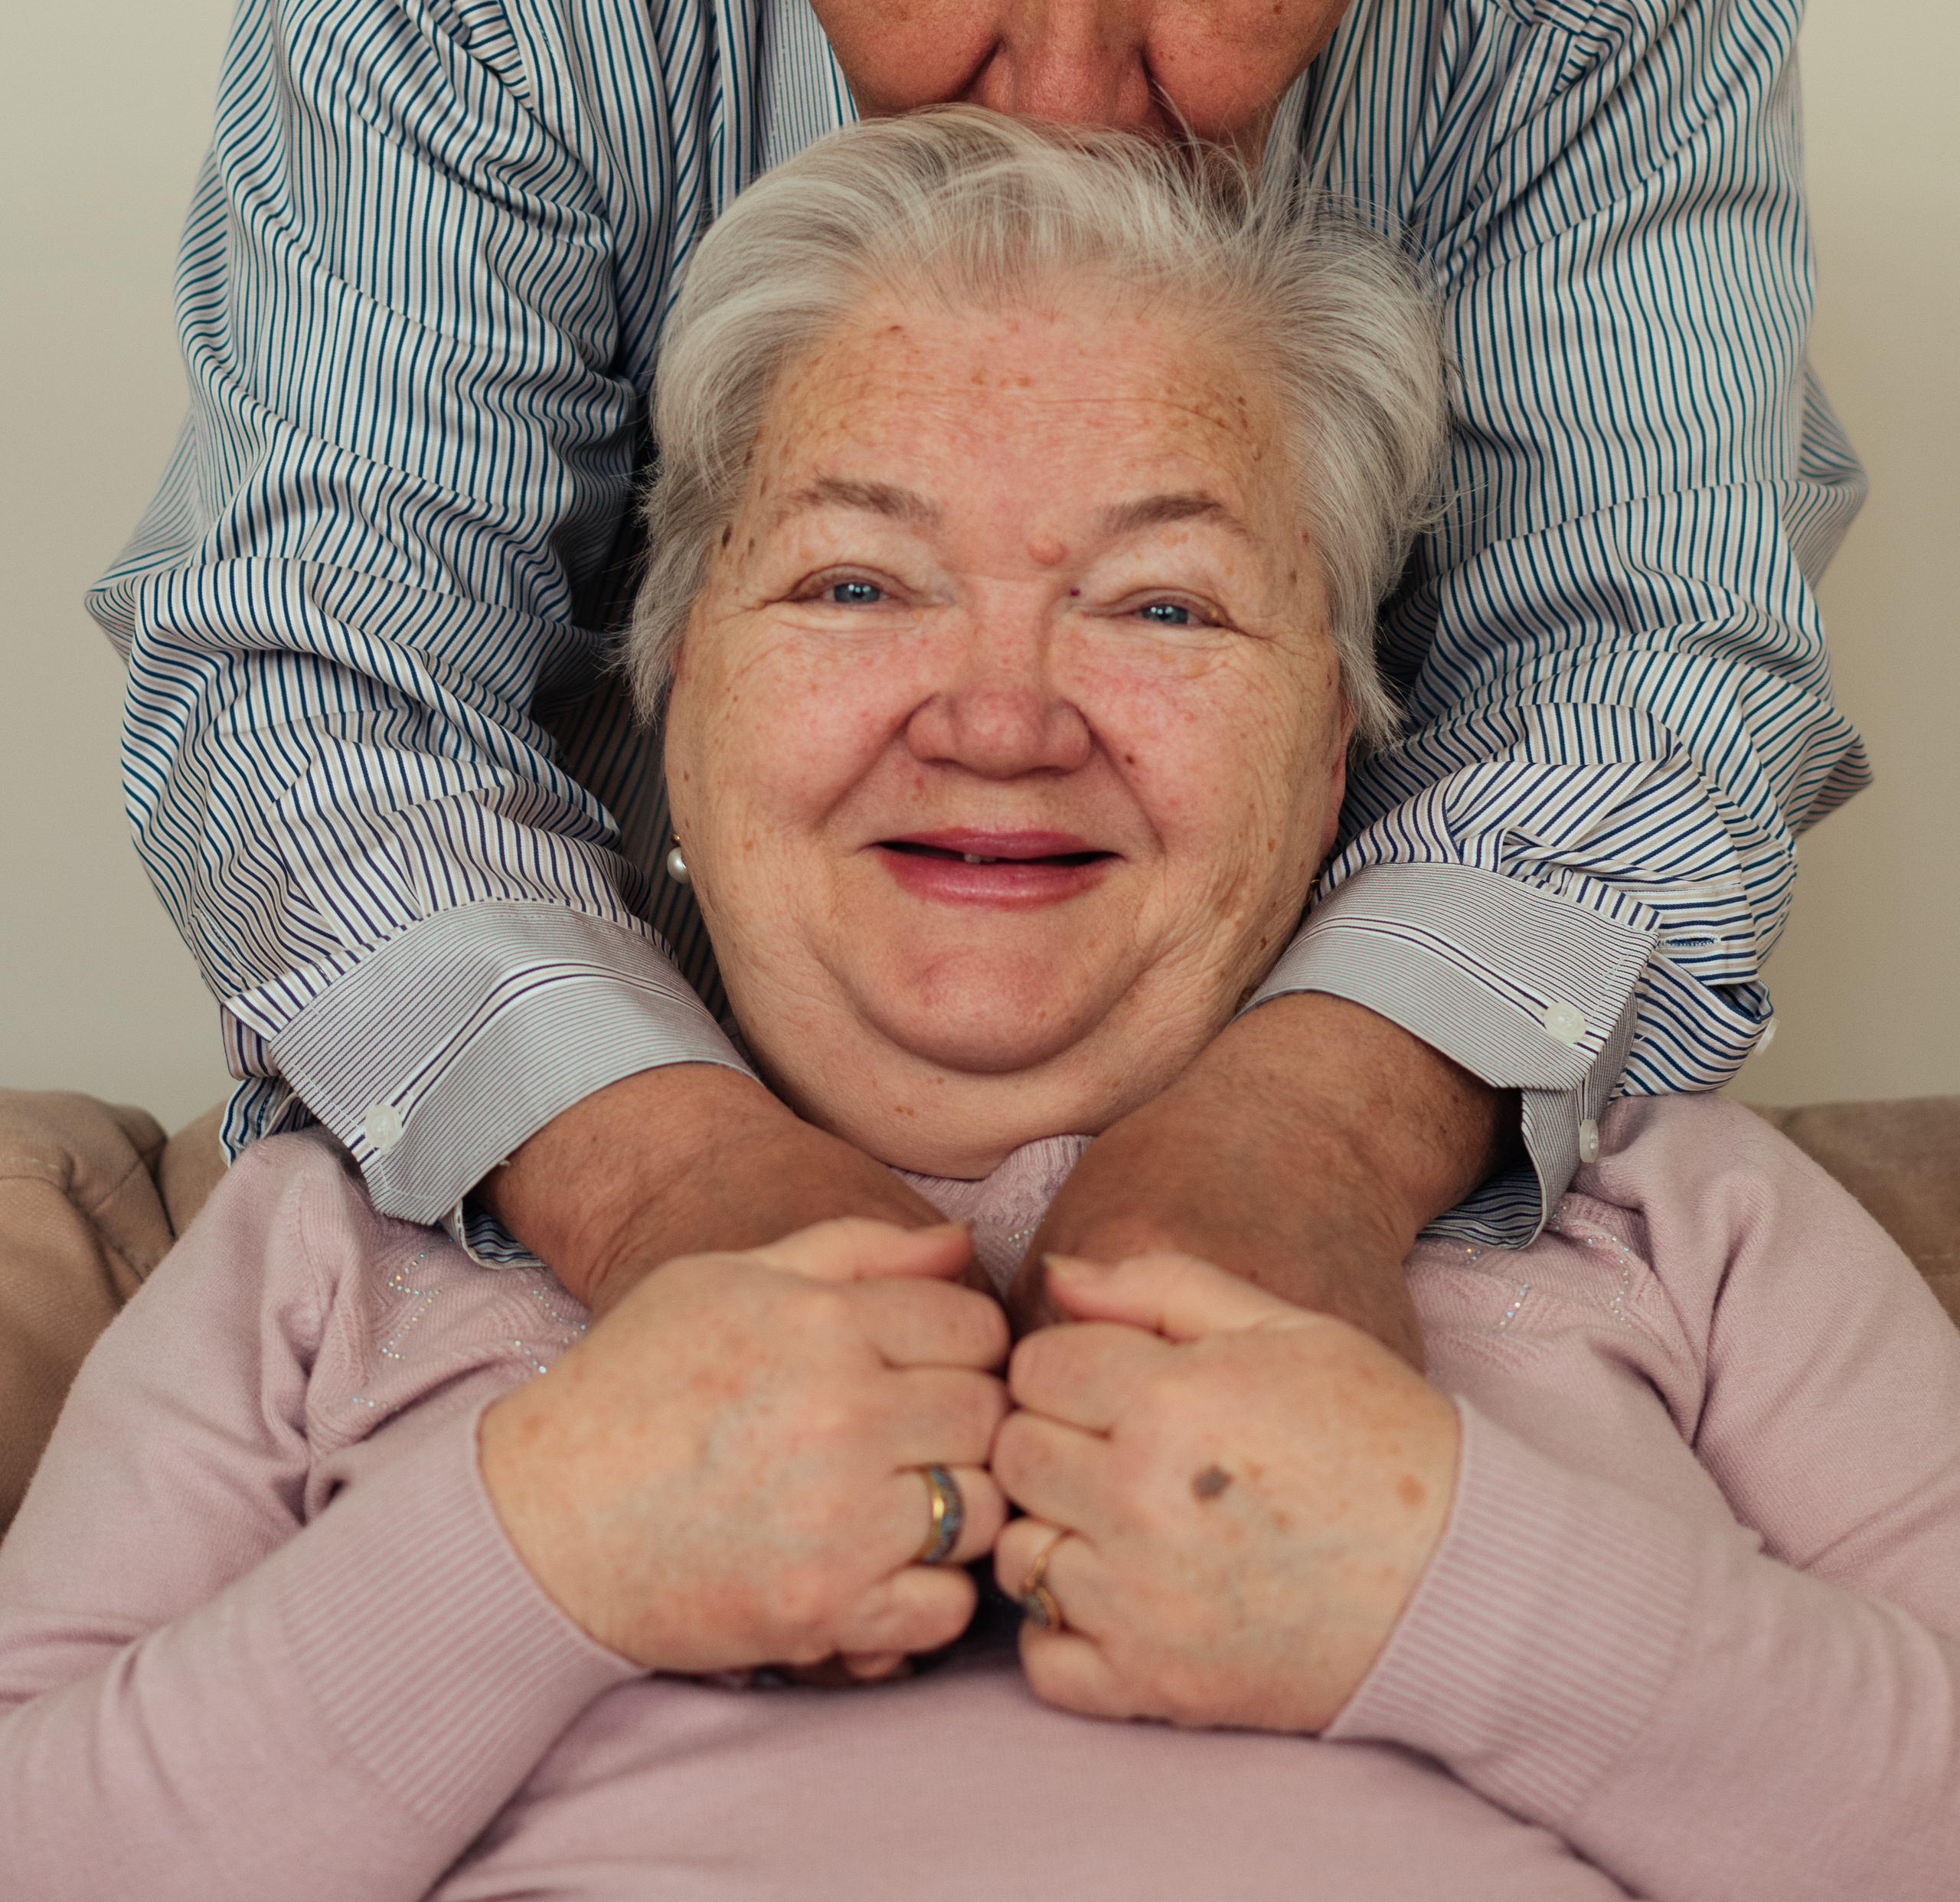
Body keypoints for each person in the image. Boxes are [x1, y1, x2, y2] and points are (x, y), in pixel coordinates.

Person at [85, 0, 1868, 1345]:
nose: (1064, 95)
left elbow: (1644, 662)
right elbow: (319, 670)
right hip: (572, 1157)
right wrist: (679, 1187)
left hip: (1346, 1168)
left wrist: (1298, 1153)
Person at [8, 116, 1953, 1902]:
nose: (1000, 718)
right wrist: (542, 1555)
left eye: (1164, 606)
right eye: (855, 586)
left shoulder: (1670, 1213)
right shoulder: (327, 1237)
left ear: (1350, 735)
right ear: (675, 685)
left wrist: (1462, 1595)